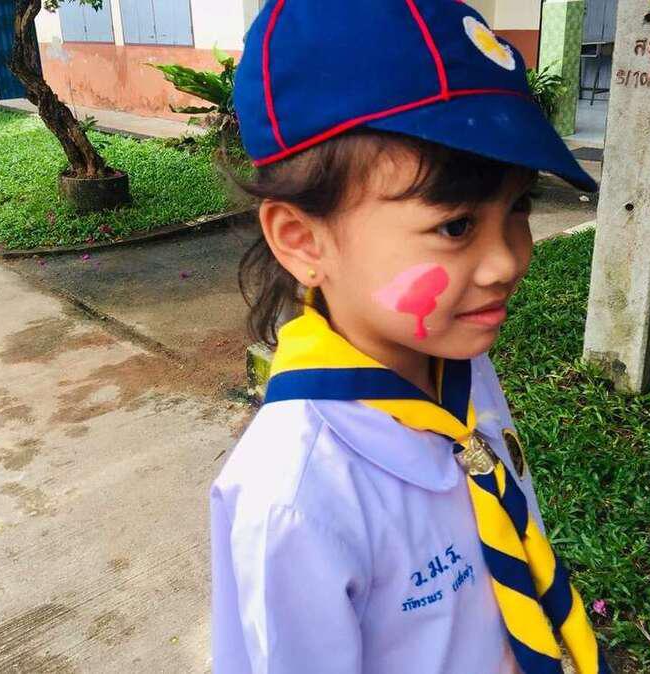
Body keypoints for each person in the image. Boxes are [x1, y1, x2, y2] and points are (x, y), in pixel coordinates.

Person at [209, 1, 610, 672]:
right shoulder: (294, 499)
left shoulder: (458, 367)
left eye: (518, 207)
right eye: (455, 226)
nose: (508, 261)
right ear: (303, 240)